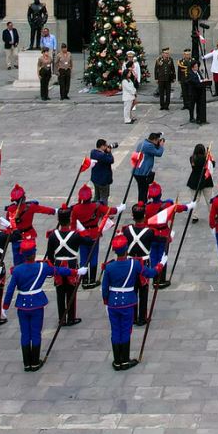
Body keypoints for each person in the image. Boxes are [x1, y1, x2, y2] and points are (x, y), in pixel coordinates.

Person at [3, 237, 73, 371]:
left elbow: (10, 289)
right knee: (35, 332)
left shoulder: (17, 270)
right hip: (36, 303)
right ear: (34, 253)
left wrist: (5, 306)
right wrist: (75, 271)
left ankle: (26, 363)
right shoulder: (42, 267)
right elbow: (59, 271)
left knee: (25, 333)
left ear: (22, 254)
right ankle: (35, 362)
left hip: (22, 304)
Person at [101, 235, 152, 370]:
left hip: (113, 303)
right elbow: (149, 273)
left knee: (115, 331)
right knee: (126, 330)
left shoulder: (109, 267)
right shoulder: (134, 264)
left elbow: (105, 288)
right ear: (126, 249)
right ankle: (125, 361)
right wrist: (160, 265)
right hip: (128, 302)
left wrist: (106, 302)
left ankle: (117, 361)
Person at [44, 207, 83, 326]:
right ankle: (71, 317)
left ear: (58, 219)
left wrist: (51, 268)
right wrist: (82, 228)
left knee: (60, 294)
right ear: (70, 219)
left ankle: (62, 318)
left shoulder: (52, 236)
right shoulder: (76, 235)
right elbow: (90, 241)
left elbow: (50, 255)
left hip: (58, 265)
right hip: (71, 265)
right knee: (71, 293)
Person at [132, 133, 164, 197]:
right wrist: (161, 146)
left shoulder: (143, 143)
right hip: (142, 172)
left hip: (137, 170)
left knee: (142, 190)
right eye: (157, 141)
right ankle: (142, 204)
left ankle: (141, 204)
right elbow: (159, 153)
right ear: (154, 140)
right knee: (143, 191)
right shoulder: (149, 146)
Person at [88, 140, 115, 205]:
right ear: (102, 146)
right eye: (106, 145)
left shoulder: (93, 152)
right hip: (103, 181)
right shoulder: (102, 155)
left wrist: (105, 152)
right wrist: (109, 152)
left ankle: (94, 209)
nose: (107, 147)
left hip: (95, 179)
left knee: (97, 196)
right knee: (104, 197)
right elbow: (111, 160)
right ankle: (103, 211)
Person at [187, 59, 209, 125]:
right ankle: (191, 117)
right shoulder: (190, 73)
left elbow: (201, 79)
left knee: (199, 105)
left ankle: (199, 117)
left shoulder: (198, 72)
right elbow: (194, 81)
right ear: (192, 67)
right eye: (196, 66)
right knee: (192, 105)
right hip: (193, 92)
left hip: (199, 92)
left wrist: (204, 80)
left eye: (197, 66)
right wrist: (201, 81)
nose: (197, 68)